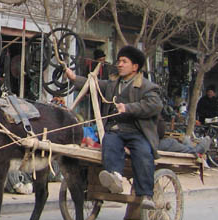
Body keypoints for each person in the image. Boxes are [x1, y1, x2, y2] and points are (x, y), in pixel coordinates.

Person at [66, 45, 163, 209]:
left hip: (137, 132)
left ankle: (146, 193)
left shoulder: (147, 86)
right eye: (119, 61)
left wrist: (129, 108)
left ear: (135, 66)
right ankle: (115, 177)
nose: (119, 64)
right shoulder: (112, 84)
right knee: (109, 144)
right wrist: (74, 77)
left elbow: (154, 105)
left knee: (143, 153)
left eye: (124, 61)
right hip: (115, 130)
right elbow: (94, 85)